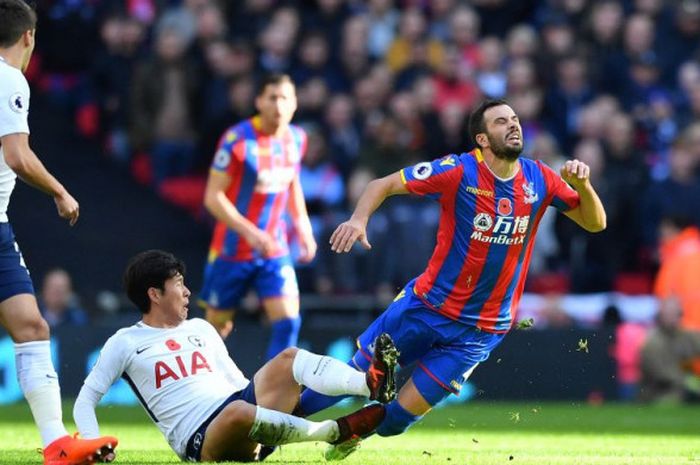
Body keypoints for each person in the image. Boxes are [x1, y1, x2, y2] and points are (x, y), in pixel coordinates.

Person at [299, 99, 607, 459]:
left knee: (398, 420)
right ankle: (274, 423)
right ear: (482, 138)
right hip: (426, 308)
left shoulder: (541, 178)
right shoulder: (458, 171)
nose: (513, 126)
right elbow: (381, 184)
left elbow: (595, 223)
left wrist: (583, 186)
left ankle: (347, 432)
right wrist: (358, 220)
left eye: (515, 119)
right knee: (351, 379)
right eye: (501, 122)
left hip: (480, 332)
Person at [73, 250, 399, 462]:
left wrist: (274, 412)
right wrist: (91, 444)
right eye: (178, 284)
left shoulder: (201, 328)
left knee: (289, 356)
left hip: (241, 409)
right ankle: (335, 432)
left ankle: (369, 383)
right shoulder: (125, 341)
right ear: (154, 294)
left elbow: (236, 381)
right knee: (239, 411)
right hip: (201, 439)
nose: (187, 292)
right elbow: (85, 399)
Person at [0, 2, 117, 464]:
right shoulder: (9, 79)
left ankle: (57, 444)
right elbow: (17, 156)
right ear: (28, 36)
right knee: (30, 327)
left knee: (31, 326)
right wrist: (60, 192)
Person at [200, 73, 317, 360]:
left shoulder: (297, 139)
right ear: (259, 102)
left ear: (295, 104)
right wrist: (250, 232)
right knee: (217, 328)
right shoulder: (237, 140)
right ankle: (207, 393)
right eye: (272, 98)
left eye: (284, 98)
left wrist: (303, 227)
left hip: (273, 247)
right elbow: (212, 197)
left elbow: (292, 182)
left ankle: (268, 395)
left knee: (289, 321)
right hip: (232, 249)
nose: (278, 105)